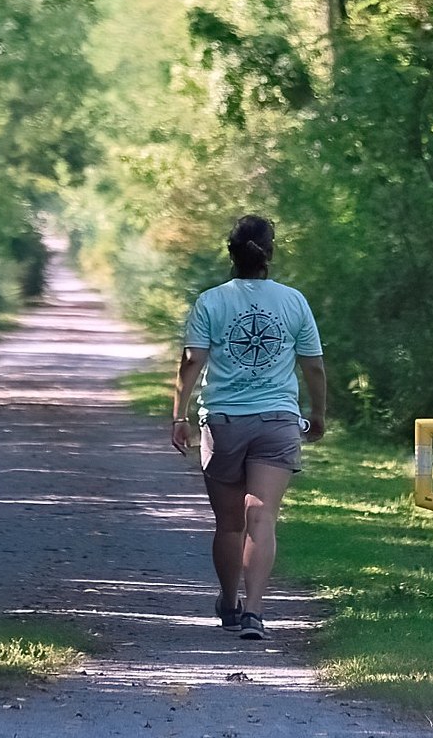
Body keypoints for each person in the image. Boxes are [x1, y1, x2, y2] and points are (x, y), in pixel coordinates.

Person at [171, 215, 326, 640]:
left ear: (231, 253)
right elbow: (312, 365)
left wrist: (178, 416)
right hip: (278, 421)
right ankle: (255, 613)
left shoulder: (210, 302)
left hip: (223, 422)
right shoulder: (294, 301)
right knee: (262, 518)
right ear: (269, 253)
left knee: (229, 523)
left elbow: (191, 362)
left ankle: (229, 603)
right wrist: (319, 413)